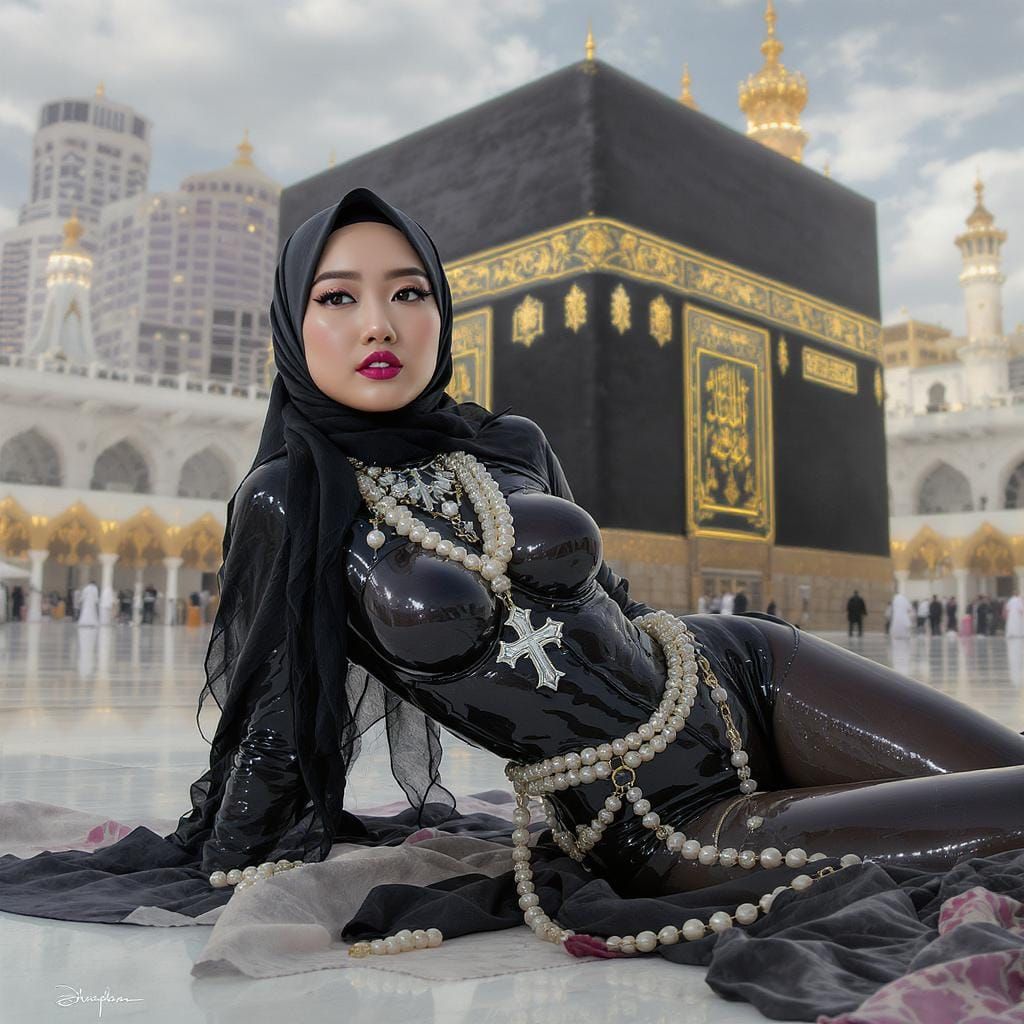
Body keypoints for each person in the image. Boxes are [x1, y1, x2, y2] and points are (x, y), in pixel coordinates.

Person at [1, 189, 1023, 982]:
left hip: (745, 671)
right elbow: (280, 715)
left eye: (408, 292)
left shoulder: (507, 442)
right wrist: (228, 854)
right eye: (338, 296)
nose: (380, 323)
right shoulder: (290, 500)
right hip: (658, 812)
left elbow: (609, 611)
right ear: (293, 323)